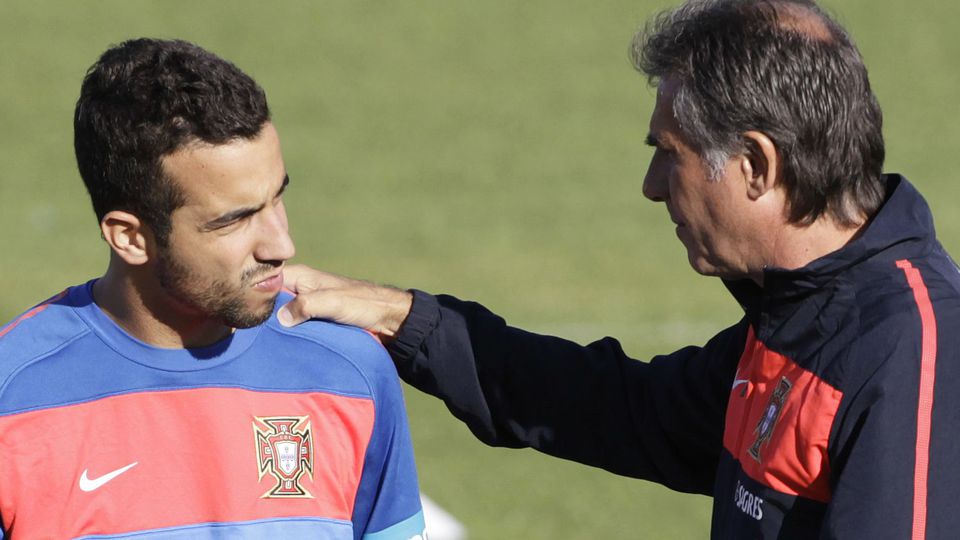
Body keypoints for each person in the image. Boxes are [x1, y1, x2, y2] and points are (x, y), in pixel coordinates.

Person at [276, 0, 960, 538]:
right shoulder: (801, 313)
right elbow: (622, 410)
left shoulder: (910, 356)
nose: (653, 184)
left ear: (755, 166)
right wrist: (407, 320)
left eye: (671, 152)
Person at [0, 38, 425, 539]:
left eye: (276, 198)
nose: (281, 243)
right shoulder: (14, 395)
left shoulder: (349, 369)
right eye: (235, 220)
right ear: (131, 238)